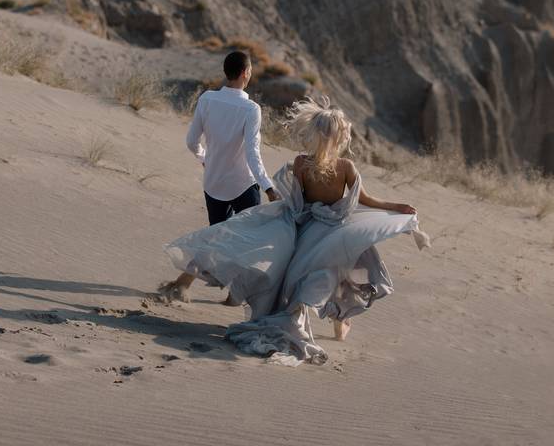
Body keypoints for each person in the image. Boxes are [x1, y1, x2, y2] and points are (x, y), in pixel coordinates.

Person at [158, 97, 430, 365]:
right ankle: (340, 323)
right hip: (329, 229)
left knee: (236, 238)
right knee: (340, 267)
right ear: (339, 136)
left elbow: (298, 202)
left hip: (298, 224)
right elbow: (365, 200)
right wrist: (397, 206)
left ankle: (182, 282)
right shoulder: (346, 167)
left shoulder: (301, 162)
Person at [156, 50, 279, 304]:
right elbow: (251, 153)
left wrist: (205, 159)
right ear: (245, 73)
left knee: (215, 239)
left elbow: (192, 141)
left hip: (213, 184)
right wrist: (268, 187)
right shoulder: (250, 109)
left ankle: (183, 286)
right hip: (243, 184)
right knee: (248, 241)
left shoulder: (207, 99)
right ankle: (235, 295)